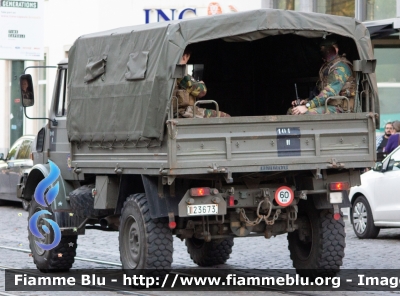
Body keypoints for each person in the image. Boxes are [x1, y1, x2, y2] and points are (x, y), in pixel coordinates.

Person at [290, 38, 355, 115]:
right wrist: (306, 102)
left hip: (341, 108)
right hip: (329, 105)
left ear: (336, 50)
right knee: (292, 110)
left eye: (327, 50)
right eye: (322, 51)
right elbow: (320, 92)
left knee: (304, 114)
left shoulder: (341, 68)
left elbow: (329, 92)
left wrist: (307, 106)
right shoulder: (327, 67)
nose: (324, 53)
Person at [173, 46, 230, 118]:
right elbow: (201, 91)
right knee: (225, 117)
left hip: (182, 111)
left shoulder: (167, 71)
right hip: (183, 112)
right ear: (185, 56)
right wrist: (200, 84)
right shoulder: (178, 71)